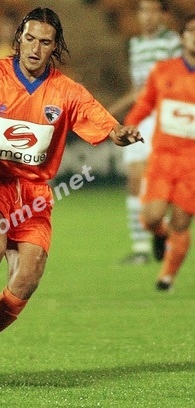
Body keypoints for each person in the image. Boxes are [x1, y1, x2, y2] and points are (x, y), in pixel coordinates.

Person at [0, 7, 142, 383]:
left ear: (55, 46)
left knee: (26, 279)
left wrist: (118, 131)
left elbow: (99, 118)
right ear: (18, 39)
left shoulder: (66, 91)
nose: (35, 48)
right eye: (29, 39)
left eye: (45, 42)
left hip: (33, 195)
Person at [125, 14, 195, 291]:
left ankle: (167, 277)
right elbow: (145, 103)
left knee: (181, 221)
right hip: (163, 157)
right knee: (151, 217)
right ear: (182, 38)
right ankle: (160, 233)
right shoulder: (164, 70)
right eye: (191, 31)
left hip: (192, 162)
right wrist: (130, 123)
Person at [108, 0, 181, 265]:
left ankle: (165, 235)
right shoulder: (136, 45)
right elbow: (137, 88)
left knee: (159, 181)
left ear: (163, 15)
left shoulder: (172, 42)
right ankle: (141, 248)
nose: (146, 16)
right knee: (134, 180)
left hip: (163, 116)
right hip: (141, 117)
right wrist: (114, 110)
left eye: (152, 10)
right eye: (142, 10)